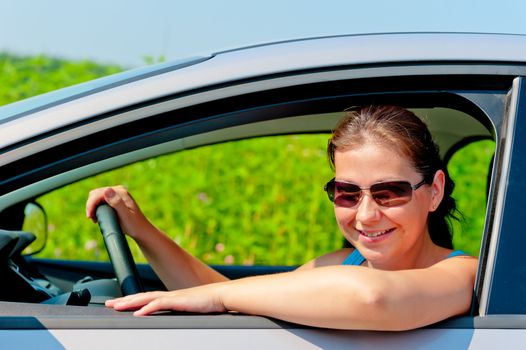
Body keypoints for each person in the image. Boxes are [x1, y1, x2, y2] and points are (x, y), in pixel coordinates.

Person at [85, 105, 477, 330]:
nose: (366, 214)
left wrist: (219, 296)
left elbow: (373, 298)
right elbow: (241, 301)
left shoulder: (465, 275)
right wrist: (143, 230)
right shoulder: (341, 265)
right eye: (347, 192)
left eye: (389, 192)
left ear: (435, 191)